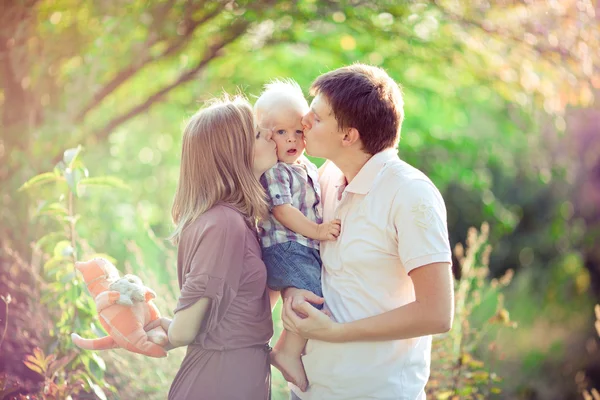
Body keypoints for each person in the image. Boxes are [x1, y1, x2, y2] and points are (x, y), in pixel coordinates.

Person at [281, 64, 455, 400]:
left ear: (348, 135)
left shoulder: (411, 194)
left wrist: (337, 332)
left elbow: (437, 313)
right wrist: (293, 290)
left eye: (316, 118)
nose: (304, 121)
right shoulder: (327, 176)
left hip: (377, 392)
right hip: (307, 392)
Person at [146, 95, 279, 400]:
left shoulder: (237, 220)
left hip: (238, 374)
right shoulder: (224, 223)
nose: (271, 135)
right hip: (220, 380)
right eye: (259, 134)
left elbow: (224, 313)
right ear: (234, 154)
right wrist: (167, 328)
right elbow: (183, 332)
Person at [254, 80, 341, 392]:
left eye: (298, 131)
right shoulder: (276, 171)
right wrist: (318, 231)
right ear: (264, 135)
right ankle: (287, 353)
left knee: (302, 299)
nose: (291, 139)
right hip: (285, 248)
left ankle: (279, 346)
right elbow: (282, 210)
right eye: (280, 132)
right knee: (312, 298)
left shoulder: (305, 166)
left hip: (298, 249)